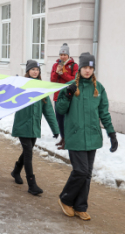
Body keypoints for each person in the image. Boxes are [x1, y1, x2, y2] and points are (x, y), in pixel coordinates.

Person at [57, 52, 118, 221]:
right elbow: (60, 110)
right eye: (85, 67)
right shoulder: (70, 86)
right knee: (81, 171)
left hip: (92, 136)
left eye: (91, 68)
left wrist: (111, 133)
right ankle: (66, 198)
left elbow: (104, 113)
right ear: (80, 68)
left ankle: (80, 206)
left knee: (87, 173)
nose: (87, 70)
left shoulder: (99, 88)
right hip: (75, 136)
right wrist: (68, 95)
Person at [11, 60, 59, 195]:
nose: (35, 72)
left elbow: (48, 110)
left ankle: (16, 171)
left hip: (34, 126)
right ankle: (32, 184)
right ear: (28, 71)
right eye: (32, 69)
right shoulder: (21, 86)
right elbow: (10, 99)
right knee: (28, 153)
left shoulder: (42, 88)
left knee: (28, 151)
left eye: (37, 70)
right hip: (22, 125)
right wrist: (14, 86)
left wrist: (55, 129)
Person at [51, 43, 79, 150]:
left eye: (64, 54)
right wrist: (56, 72)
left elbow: (74, 80)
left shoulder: (73, 66)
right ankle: (63, 138)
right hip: (58, 96)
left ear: (68, 55)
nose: (62, 57)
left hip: (68, 96)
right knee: (59, 119)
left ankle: (68, 140)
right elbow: (52, 80)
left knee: (68, 119)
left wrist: (62, 73)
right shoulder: (55, 65)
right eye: (61, 54)